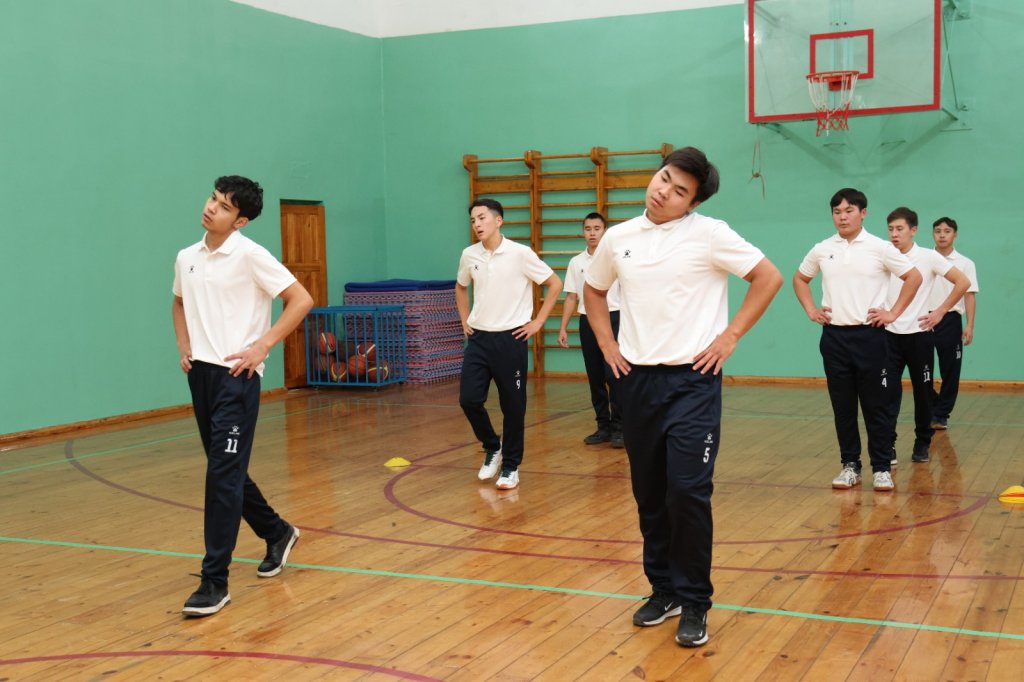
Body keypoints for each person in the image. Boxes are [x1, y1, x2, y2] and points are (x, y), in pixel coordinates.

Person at [584, 147, 783, 648]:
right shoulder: (618, 237)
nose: (663, 192)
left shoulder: (710, 234)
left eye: (679, 191)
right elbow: (594, 290)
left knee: (688, 491)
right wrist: (607, 344)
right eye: (664, 179)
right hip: (636, 382)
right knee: (650, 492)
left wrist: (730, 337)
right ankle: (664, 591)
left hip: (692, 382)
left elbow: (768, 277)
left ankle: (695, 601)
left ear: (692, 203)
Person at [172, 175, 313, 617]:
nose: (211, 207)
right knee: (226, 471)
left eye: (224, 206)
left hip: (237, 378)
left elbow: (301, 300)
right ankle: (277, 531)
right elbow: (178, 302)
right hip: (201, 377)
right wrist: (184, 344)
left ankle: (215, 581)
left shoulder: (251, 255)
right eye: (212, 198)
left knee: (221, 478)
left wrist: (262, 346)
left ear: (241, 221)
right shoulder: (187, 257)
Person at [793, 188, 922, 493]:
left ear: (863, 213)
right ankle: (850, 465)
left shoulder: (880, 248)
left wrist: (893, 313)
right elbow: (800, 279)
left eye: (849, 210)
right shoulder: (823, 248)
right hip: (834, 338)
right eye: (837, 212)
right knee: (843, 406)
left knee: (877, 406)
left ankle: (881, 468)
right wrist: (811, 310)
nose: (842, 217)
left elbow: (914, 277)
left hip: (871, 337)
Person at [456, 198, 563, 490]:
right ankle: (493, 446)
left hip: (511, 339)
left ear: (498, 220)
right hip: (479, 339)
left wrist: (538, 322)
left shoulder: (521, 254)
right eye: (473, 220)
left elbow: (555, 283)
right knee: (469, 399)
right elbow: (461, 287)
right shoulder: (469, 255)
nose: (477, 224)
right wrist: (464, 319)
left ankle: (511, 467)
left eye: (482, 218)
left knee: (513, 407)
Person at [883, 207, 969, 464]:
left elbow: (963, 283)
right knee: (887, 395)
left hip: (919, 336)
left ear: (913, 230)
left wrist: (940, 311)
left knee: (923, 394)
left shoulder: (929, 257)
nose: (894, 234)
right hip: (888, 336)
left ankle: (922, 442)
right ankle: (888, 445)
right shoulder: (883, 255)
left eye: (900, 229)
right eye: (890, 229)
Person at [558, 212, 623, 448]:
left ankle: (620, 427)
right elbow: (571, 297)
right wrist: (563, 327)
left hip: (614, 318)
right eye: (588, 229)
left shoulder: (616, 259)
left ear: (605, 231)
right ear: (583, 232)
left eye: (597, 228)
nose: (592, 233)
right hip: (587, 321)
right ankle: (603, 426)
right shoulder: (576, 262)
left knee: (614, 375)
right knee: (595, 376)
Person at [928, 217, 980, 430]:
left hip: (950, 320)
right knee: (921, 369)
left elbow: (969, 295)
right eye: (938, 231)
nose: (942, 235)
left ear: (955, 235)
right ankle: (933, 405)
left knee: (950, 370)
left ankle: (941, 414)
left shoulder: (965, 263)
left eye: (947, 231)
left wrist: (970, 325)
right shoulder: (924, 258)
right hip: (923, 319)